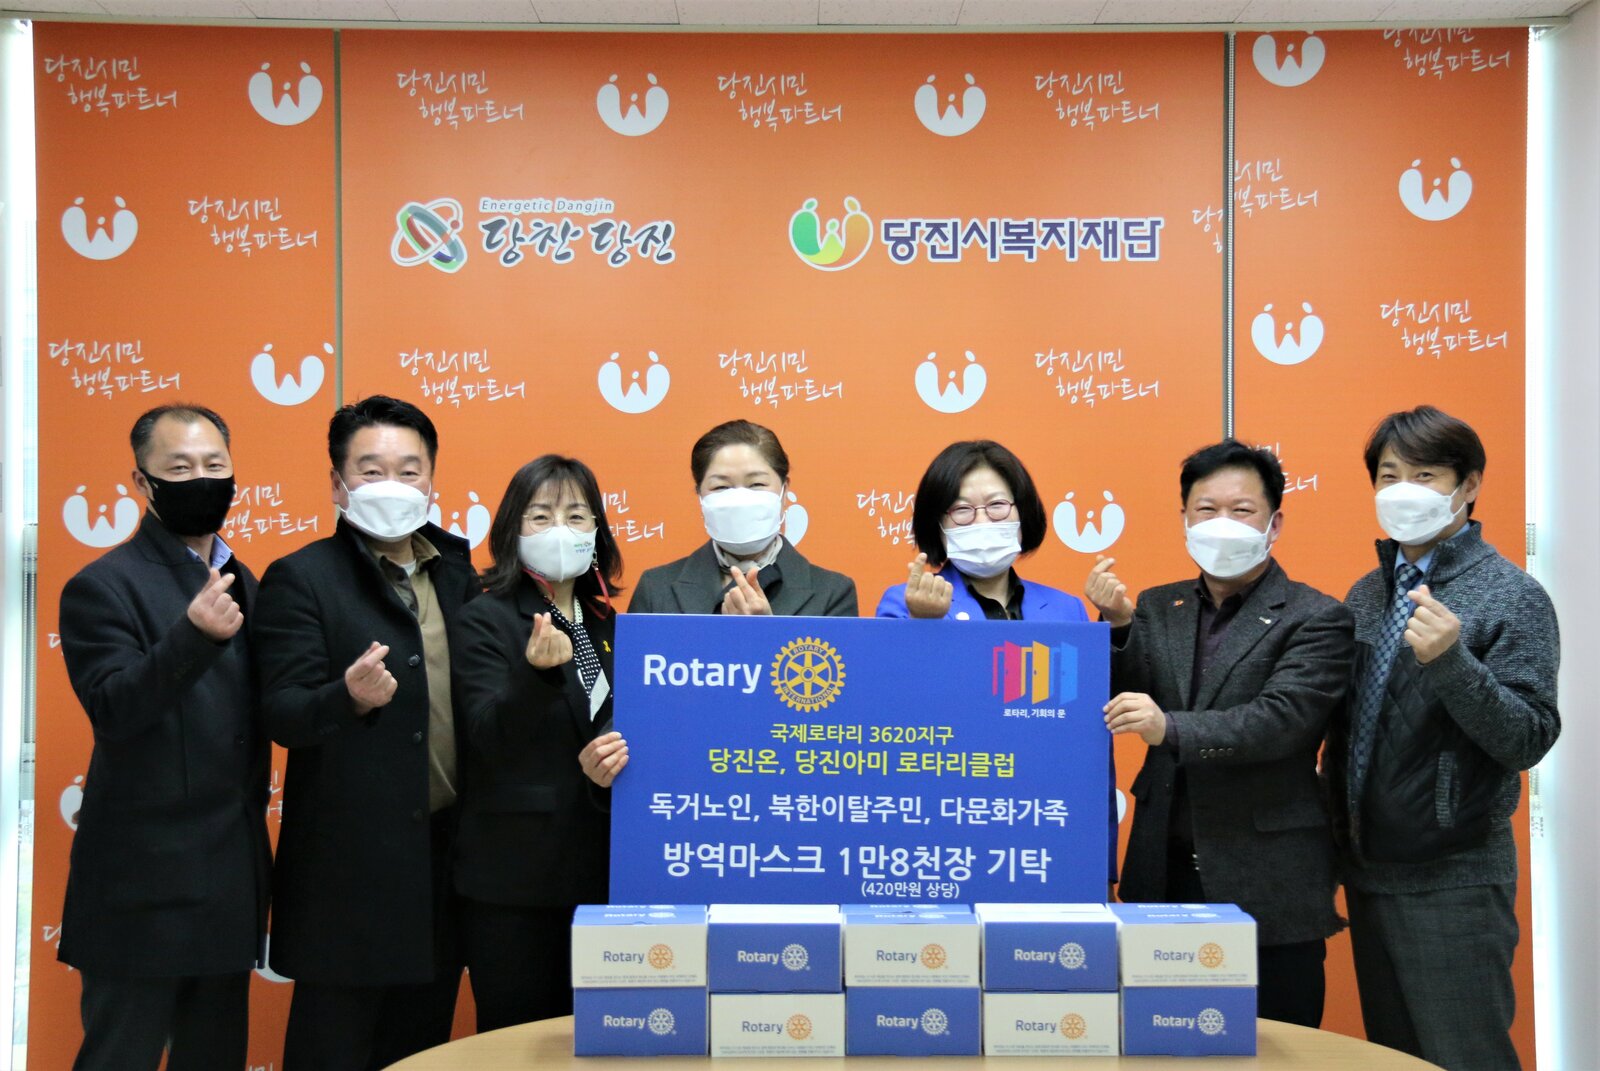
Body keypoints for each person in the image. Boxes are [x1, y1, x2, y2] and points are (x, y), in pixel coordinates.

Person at [1087, 439, 1352, 1029]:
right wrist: (1120, 625)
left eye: (1242, 510)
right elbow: (1125, 694)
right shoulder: (1159, 605)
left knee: (1278, 1043)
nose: (1222, 524)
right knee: (1161, 1037)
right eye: (1206, 510)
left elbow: (1281, 721)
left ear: (1274, 523)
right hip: (1163, 865)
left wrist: (1169, 726)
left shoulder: (1317, 615)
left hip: (1267, 876)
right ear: (1184, 519)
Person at [1329, 407, 1559, 1071]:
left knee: (1466, 1055)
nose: (1403, 490)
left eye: (1424, 474)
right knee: (1395, 1057)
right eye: (1388, 475)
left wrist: (1452, 662)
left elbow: (1528, 738)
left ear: (1469, 484)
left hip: (1454, 877)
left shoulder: (1511, 594)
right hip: (1370, 870)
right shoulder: (1365, 593)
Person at [253, 396, 478, 1070]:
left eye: (409, 471)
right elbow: (283, 712)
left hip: (442, 862)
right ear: (337, 483)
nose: (392, 485)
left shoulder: (459, 571)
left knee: (419, 1048)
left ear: (431, 481)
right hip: (347, 875)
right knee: (335, 1046)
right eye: (371, 470)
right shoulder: (302, 577)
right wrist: (345, 697)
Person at [56, 404, 271, 1071]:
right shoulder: (101, 586)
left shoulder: (245, 580)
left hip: (228, 883)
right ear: (140, 482)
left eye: (214, 465)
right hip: (140, 893)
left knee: (214, 1057)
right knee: (120, 1055)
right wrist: (193, 635)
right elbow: (115, 708)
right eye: (179, 468)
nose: (201, 479)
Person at [585, 419, 856, 788]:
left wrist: (769, 638)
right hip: (682, 778)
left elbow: (835, 718)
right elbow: (634, 700)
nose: (739, 497)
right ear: (700, 495)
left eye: (756, 484)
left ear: (784, 489)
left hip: (785, 781)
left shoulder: (832, 592)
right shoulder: (657, 586)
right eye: (721, 486)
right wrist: (606, 755)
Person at [452, 456, 622, 1031]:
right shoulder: (485, 617)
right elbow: (484, 737)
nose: (560, 530)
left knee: (596, 1041)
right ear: (512, 530)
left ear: (596, 530)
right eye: (541, 516)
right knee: (518, 1043)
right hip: (516, 884)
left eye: (576, 516)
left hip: (603, 874)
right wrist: (533, 675)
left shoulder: (607, 620)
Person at [875, 439, 1088, 622]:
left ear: (1023, 513)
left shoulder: (1068, 610)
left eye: (996, 505)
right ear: (937, 525)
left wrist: (1110, 619)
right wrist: (922, 623)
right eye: (962, 509)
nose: (982, 521)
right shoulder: (905, 603)